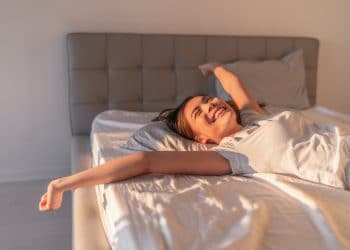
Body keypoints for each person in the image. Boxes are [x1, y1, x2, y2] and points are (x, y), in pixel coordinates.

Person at [39, 63, 350, 212]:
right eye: (199, 113)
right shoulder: (232, 155)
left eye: (207, 100)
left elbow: (235, 84)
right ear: (202, 139)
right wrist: (62, 184)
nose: (210, 105)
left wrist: (213, 67)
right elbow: (145, 161)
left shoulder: (255, 117)